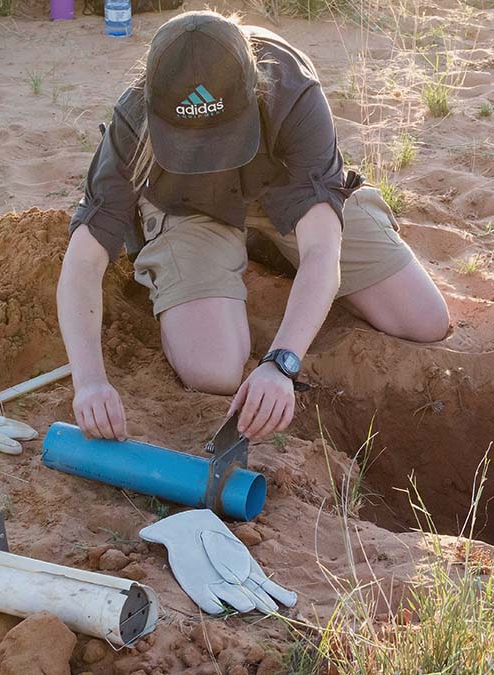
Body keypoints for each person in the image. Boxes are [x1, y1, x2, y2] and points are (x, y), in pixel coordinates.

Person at [57, 11, 449, 443]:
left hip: (284, 192)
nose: (209, 153)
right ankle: (222, 249)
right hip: (188, 206)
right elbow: (84, 258)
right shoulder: (132, 118)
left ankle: (265, 240)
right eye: (190, 142)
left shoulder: (292, 90)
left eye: (220, 137)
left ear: (255, 89)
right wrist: (90, 381)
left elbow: (321, 247)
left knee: (424, 319)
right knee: (213, 368)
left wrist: (282, 362)